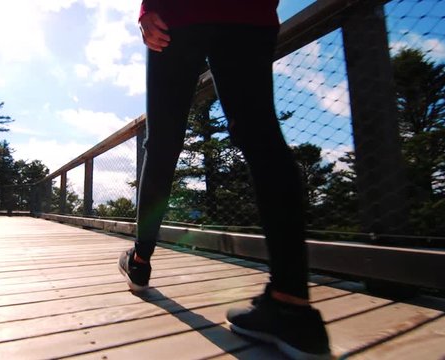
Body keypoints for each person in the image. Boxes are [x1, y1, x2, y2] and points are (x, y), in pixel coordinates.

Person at [117, 0, 331, 359]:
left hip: (180, 13)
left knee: (164, 141)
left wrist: (148, 8)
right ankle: (292, 302)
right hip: (249, 14)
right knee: (261, 134)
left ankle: (140, 261)